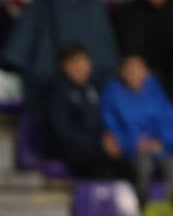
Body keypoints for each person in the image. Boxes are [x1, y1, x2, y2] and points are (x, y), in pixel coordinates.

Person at [1, 0, 118, 98]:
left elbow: (105, 51)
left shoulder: (94, 6)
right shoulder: (40, 5)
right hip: (48, 85)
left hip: (92, 84)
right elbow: (19, 47)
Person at [101, 53, 173, 204]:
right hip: (131, 150)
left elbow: (170, 122)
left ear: (146, 72)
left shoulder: (156, 92)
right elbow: (110, 128)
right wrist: (133, 143)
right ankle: (141, 211)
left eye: (138, 69)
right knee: (144, 167)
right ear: (122, 72)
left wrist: (162, 142)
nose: (134, 74)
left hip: (159, 147)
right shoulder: (111, 94)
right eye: (129, 70)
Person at [44, 42, 127, 179]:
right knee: (102, 170)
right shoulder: (56, 91)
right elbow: (61, 130)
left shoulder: (91, 89)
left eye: (85, 63)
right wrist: (97, 145)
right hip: (67, 149)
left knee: (128, 167)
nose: (82, 68)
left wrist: (107, 139)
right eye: (76, 64)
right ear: (64, 65)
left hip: (93, 148)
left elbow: (98, 122)